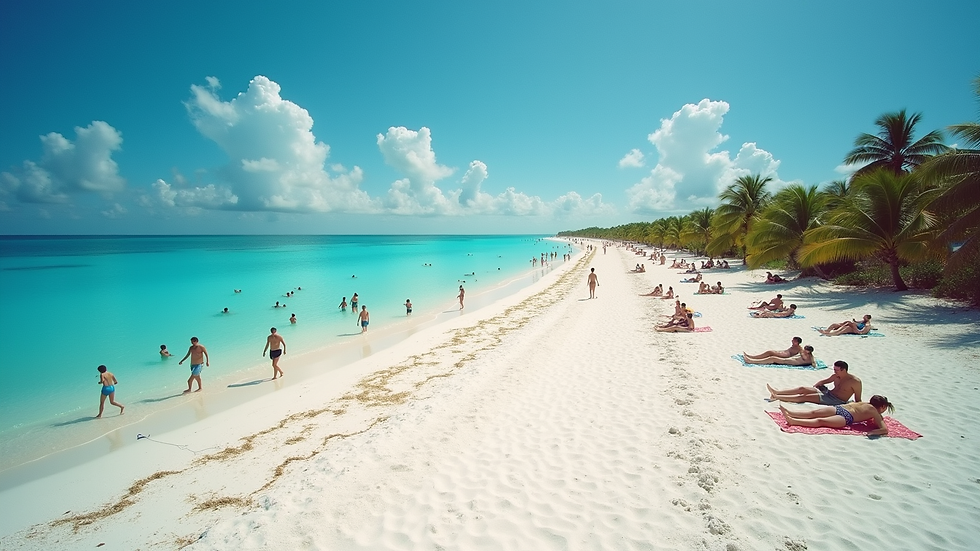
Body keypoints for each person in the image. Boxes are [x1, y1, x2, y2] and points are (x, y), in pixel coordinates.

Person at [779, 395, 894, 436]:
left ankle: (792, 416)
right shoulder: (874, 411)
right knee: (819, 419)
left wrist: (871, 430)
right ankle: (792, 418)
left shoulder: (866, 404)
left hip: (841, 409)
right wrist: (871, 432)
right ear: (882, 407)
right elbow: (884, 429)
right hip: (846, 415)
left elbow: (882, 428)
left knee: (816, 415)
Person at [766, 360, 862, 405]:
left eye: (836, 370)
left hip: (836, 400)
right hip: (828, 393)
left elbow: (858, 399)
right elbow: (823, 381)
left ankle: (777, 397)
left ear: (844, 370)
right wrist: (815, 387)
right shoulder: (835, 376)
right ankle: (777, 392)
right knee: (802, 389)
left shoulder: (855, 382)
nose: (834, 371)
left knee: (804, 397)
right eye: (834, 369)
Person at [744, 345, 816, 367]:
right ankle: (752, 359)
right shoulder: (808, 355)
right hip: (789, 360)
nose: (804, 349)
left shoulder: (807, 356)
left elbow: (805, 359)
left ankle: (751, 361)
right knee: (772, 358)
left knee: (772, 358)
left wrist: (801, 352)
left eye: (805, 349)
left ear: (808, 351)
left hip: (788, 361)